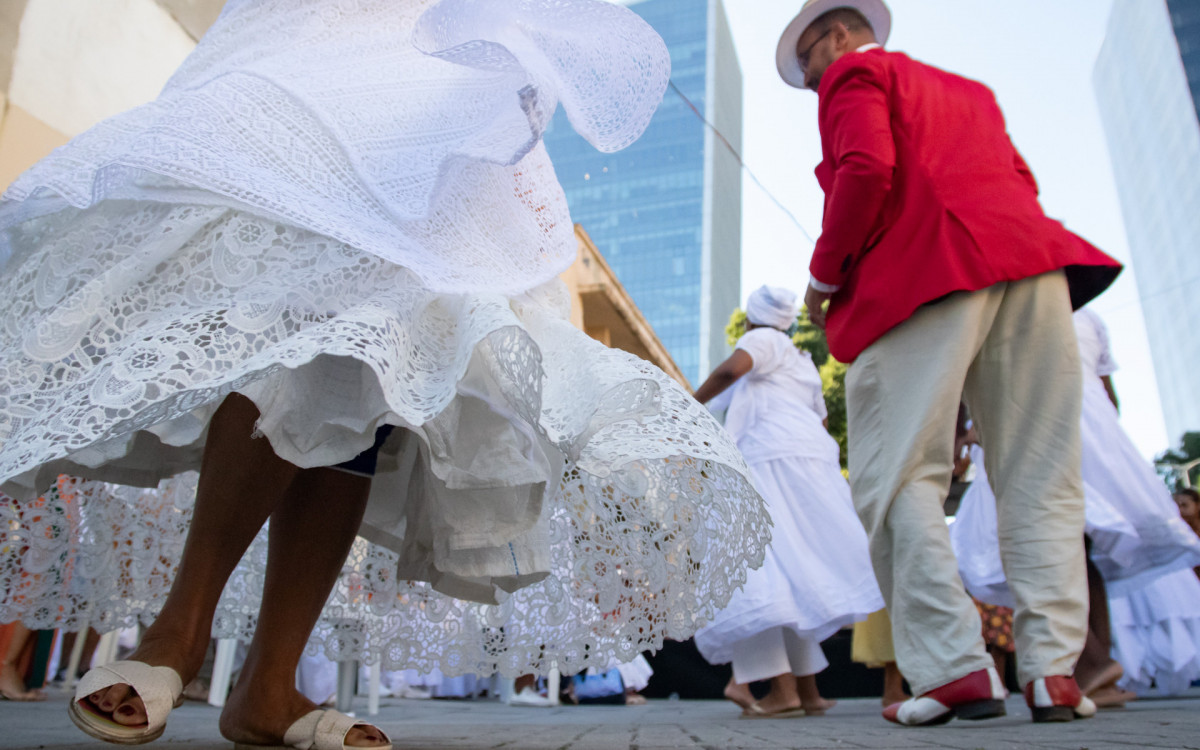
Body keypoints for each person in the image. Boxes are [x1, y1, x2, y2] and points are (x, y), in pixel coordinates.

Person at [0, 1, 769, 747]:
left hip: (433, 63)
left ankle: (269, 682)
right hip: (319, 45)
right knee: (298, 293)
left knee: (380, 360)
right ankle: (179, 630)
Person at [774, 0, 1123, 726]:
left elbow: (866, 167)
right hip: (1029, 262)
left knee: (896, 475)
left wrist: (825, 277)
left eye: (807, 61)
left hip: (923, 272)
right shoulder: (973, 93)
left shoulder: (852, 78)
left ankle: (953, 667)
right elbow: (1022, 181)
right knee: (1043, 472)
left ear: (837, 37)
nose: (809, 81)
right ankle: (1055, 672)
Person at [951, 308, 1200, 706]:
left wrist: (971, 428)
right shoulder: (1089, 317)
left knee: (1033, 543)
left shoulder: (998, 303)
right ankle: (1096, 671)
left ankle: (1088, 664)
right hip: (1091, 426)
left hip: (1029, 417)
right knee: (1078, 547)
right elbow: (1109, 395)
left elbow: (980, 370)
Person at [692, 285, 883, 718]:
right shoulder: (803, 362)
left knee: (760, 568)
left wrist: (690, 404)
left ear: (753, 319)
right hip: (809, 462)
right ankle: (805, 691)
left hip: (769, 462)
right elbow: (822, 418)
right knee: (793, 570)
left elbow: (730, 371)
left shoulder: (762, 340)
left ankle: (779, 690)